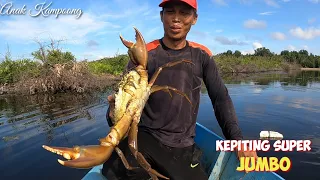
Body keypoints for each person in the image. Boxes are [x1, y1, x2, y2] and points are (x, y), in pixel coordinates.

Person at [102, 0, 258, 179]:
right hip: (145, 136)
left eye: (184, 13)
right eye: (170, 12)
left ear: (194, 19)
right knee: (115, 171)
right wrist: (113, 111)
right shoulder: (145, 54)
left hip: (183, 144)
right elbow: (121, 107)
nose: (176, 19)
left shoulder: (201, 55)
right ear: (161, 16)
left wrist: (237, 140)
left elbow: (220, 98)